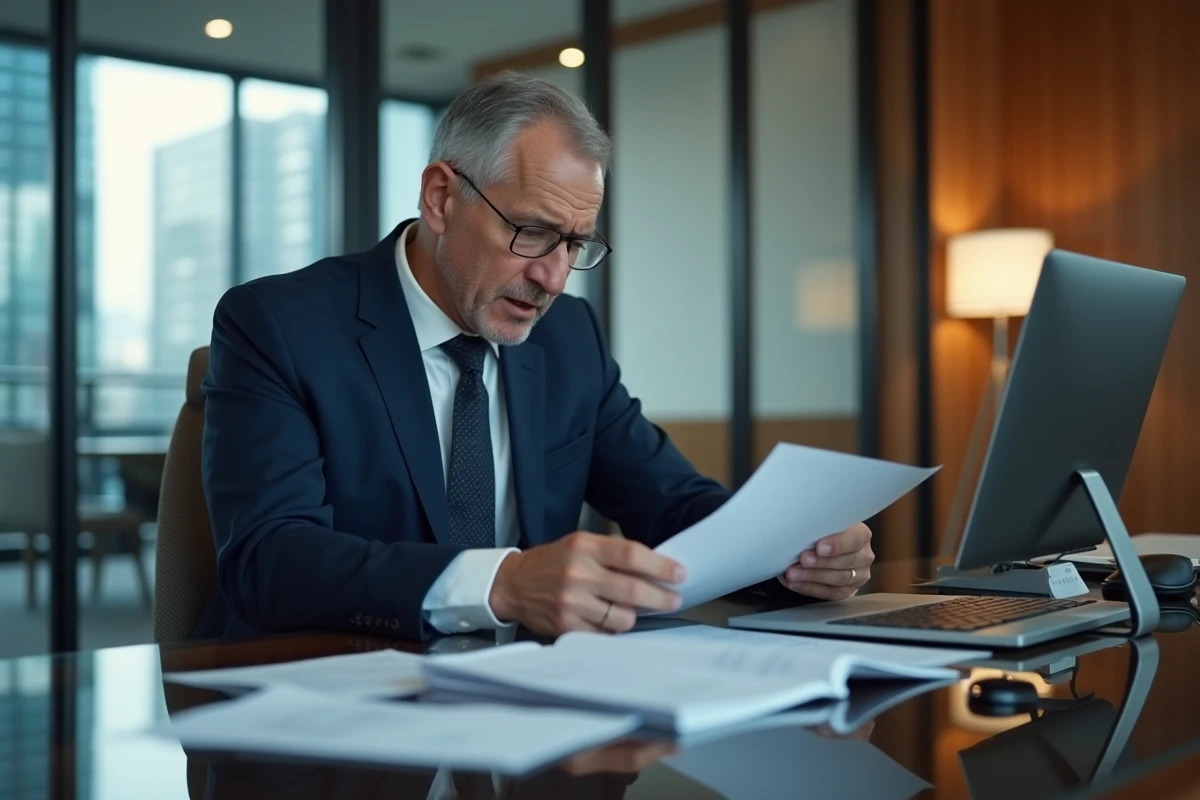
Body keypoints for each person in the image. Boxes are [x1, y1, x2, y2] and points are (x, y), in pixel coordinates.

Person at [196, 71, 874, 643]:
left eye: (574, 244)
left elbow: (669, 505)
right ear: (440, 198)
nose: (552, 278)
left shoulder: (569, 335)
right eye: (531, 232)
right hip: (325, 712)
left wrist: (787, 553)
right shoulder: (281, 324)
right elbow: (270, 559)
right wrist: (505, 583)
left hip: (534, 704)